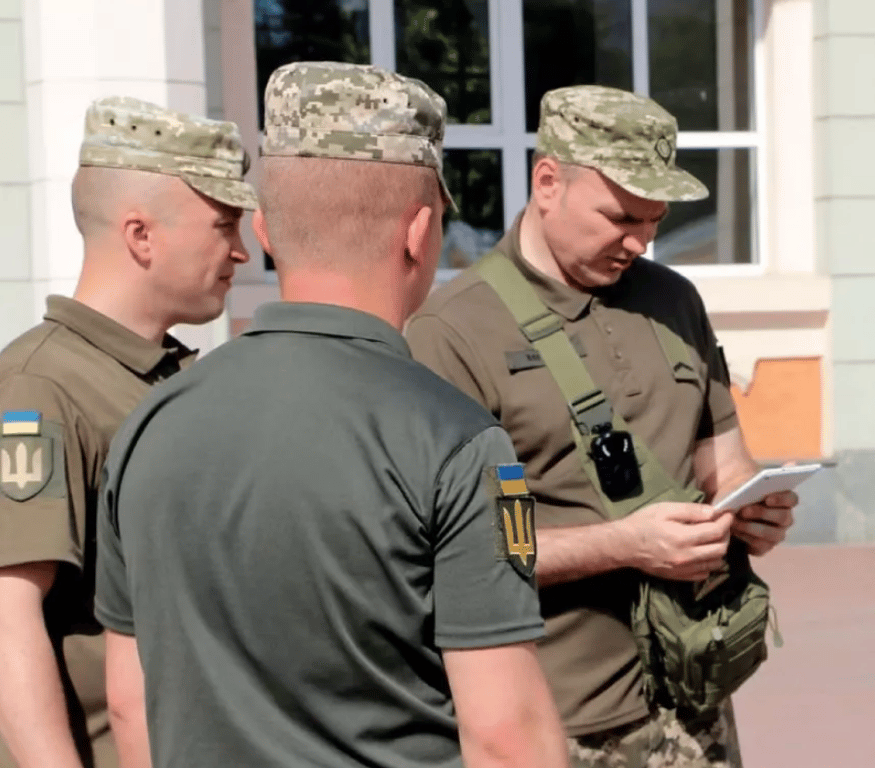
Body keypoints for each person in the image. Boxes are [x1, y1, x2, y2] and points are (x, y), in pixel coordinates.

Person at [91, 62, 567, 768]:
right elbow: (506, 738)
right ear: (419, 230)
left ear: (266, 230)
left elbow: (134, 707)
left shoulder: (150, 424)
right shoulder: (456, 440)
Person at [405, 84, 797, 768]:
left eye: (655, 219)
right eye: (620, 217)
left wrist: (751, 505)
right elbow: (463, 553)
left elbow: (723, 461)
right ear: (548, 182)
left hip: (692, 699)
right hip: (558, 723)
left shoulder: (673, 299)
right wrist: (623, 544)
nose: (641, 241)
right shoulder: (455, 330)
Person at [0, 96, 255, 768]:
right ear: (141, 235)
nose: (242, 250)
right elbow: (7, 614)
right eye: (223, 224)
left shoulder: (173, 380)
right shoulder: (42, 386)